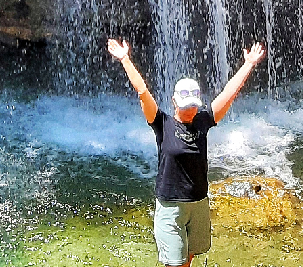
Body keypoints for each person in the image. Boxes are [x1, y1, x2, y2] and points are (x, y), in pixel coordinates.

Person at [106, 35, 267, 267]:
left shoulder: (203, 121)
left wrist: (249, 64)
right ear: (174, 102)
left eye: (193, 105)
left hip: (198, 203)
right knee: (176, 263)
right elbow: (142, 91)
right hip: (170, 205)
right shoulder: (162, 123)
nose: (190, 109)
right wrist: (125, 59)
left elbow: (229, 93)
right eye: (185, 106)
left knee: (188, 259)